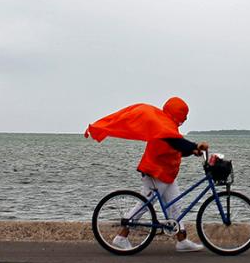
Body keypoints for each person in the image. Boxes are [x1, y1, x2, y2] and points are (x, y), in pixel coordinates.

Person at [85, 96, 209, 252]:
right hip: (155, 172)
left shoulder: (167, 125)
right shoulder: (162, 125)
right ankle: (121, 237)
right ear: (177, 114)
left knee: (176, 205)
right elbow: (176, 142)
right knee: (145, 204)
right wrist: (195, 145)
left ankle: (182, 240)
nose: (184, 119)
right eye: (183, 115)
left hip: (166, 174)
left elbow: (174, 146)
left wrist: (192, 150)